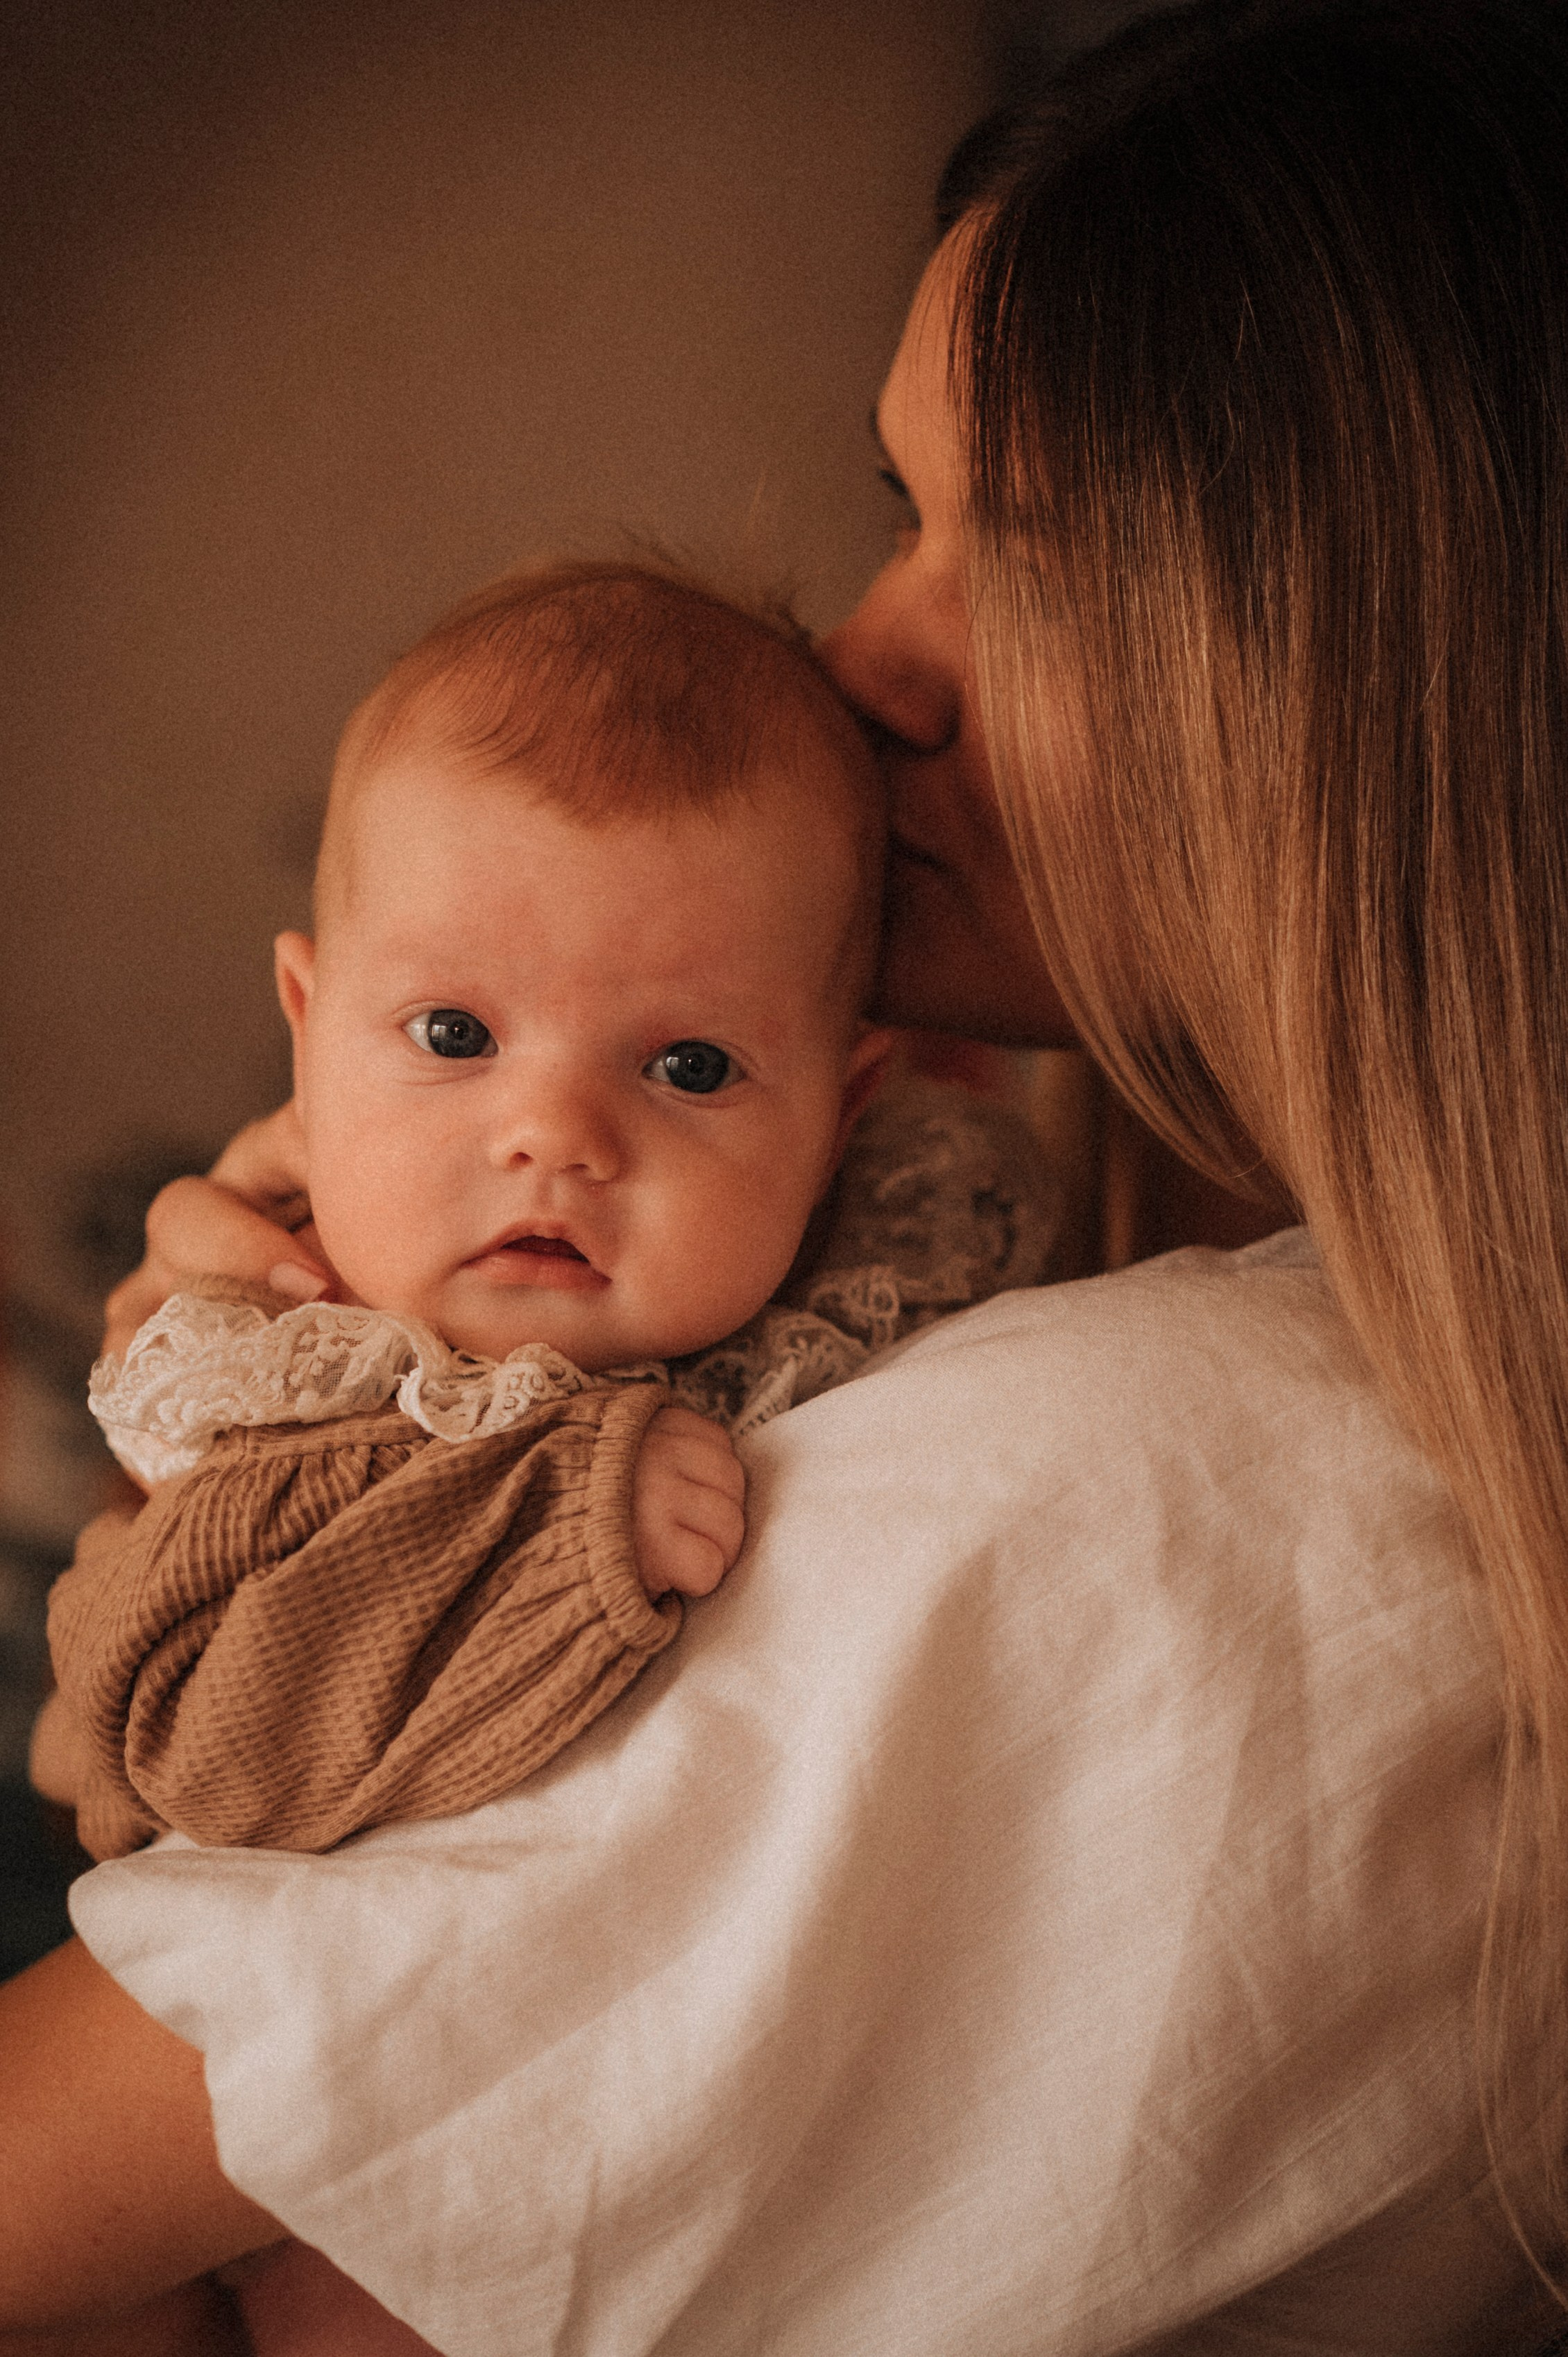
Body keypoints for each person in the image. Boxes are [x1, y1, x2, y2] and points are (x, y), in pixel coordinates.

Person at [4, 2, 1567, 2351]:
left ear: (1385, 651)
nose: (864, 665)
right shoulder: (1222, 1338)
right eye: (898, 513)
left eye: (1031, 554)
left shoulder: (1204, 1473)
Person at [31, 560, 1060, 1869]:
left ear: (839, 1117)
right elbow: (204, 1750)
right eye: (455, 1033)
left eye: (690, 1066)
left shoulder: (892, 1268)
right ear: (308, 1034)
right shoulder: (303, 1370)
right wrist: (566, 1527)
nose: (557, 1136)